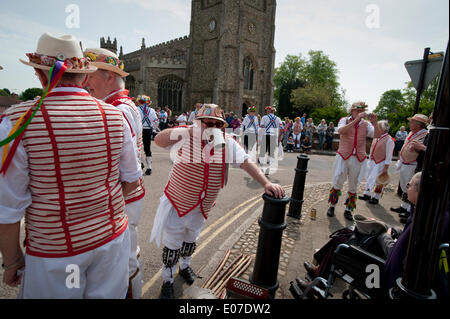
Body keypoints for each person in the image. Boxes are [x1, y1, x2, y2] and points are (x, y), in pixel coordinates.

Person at [0, 32, 141, 298]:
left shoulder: (19, 121)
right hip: (111, 242)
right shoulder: (114, 116)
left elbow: (7, 210)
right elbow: (132, 180)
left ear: (41, 75)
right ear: (84, 75)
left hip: (55, 254)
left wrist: (13, 261)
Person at [149, 104, 286, 299]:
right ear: (198, 123)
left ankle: (185, 266)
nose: (212, 127)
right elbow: (159, 140)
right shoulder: (185, 135)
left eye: (217, 124)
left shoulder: (227, 142)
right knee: (173, 241)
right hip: (178, 201)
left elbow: (246, 161)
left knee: (191, 238)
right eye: (208, 123)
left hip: (202, 205)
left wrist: (266, 183)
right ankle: (168, 279)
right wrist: (190, 131)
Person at [84, 47, 146, 298]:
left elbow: (125, 166)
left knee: (125, 262)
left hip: (124, 197)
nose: (85, 81)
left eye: (91, 74)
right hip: (125, 194)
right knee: (124, 259)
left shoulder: (118, 109)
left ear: (110, 76)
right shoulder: (118, 105)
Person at [379, 172, 449, 298]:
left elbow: (397, 254)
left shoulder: (425, 220)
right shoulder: (439, 212)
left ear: (419, 191)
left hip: (402, 281)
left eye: (408, 185)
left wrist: (384, 236)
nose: (407, 188)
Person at [326, 101, 380, 221]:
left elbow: (376, 135)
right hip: (344, 155)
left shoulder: (366, 124)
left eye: (362, 111)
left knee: (354, 185)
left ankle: (348, 209)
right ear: (352, 110)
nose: (360, 112)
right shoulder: (344, 120)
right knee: (338, 180)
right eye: (358, 110)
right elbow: (341, 131)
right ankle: (332, 206)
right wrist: (356, 120)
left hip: (358, 157)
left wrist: (375, 122)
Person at [390, 114, 428, 220]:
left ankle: (409, 210)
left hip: (413, 164)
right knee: (404, 185)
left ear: (418, 125)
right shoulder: (411, 133)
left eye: (412, 122)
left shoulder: (424, 135)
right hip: (405, 163)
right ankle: (404, 206)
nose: (409, 124)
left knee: (410, 186)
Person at [359, 120, 395, 205]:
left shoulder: (389, 140)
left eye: (378, 127)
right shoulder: (376, 137)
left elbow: (389, 155)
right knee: (369, 177)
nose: (376, 129)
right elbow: (372, 148)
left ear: (383, 129)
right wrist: (370, 158)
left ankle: (376, 197)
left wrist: (386, 167)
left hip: (381, 162)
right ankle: (367, 193)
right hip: (372, 160)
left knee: (379, 180)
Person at [136, 95, 159, 175]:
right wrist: (154, 128)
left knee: (138, 147)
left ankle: (141, 163)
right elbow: (156, 121)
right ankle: (149, 167)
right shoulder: (152, 110)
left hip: (139, 130)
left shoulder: (136, 109)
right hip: (148, 130)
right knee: (147, 148)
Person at [259, 106, 283, 175]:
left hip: (265, 135)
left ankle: (261, 168)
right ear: (274, 112)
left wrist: (259, 138)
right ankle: (268, 168)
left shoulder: (264, 118)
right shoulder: (278, 119)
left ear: (268, 111)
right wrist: (279, 137)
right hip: (273, 137)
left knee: (263, 152)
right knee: (271, 153)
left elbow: (262, 128)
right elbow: (282, 128)